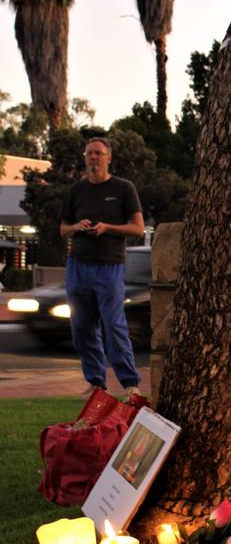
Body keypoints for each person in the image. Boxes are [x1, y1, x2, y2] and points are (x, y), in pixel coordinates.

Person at [60, 136, 144, 395]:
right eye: (89, 154)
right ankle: (96, 383)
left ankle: (130, 384)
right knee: (82, 327)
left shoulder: (123, 188)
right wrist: (76, 227)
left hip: (109, 266)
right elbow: (63, 229)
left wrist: (107, 228)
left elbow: (138, 229)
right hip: (79, 266)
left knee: (113, 324)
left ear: (108, 158)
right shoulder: (76, 191)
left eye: (98, 153)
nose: (93, 157)